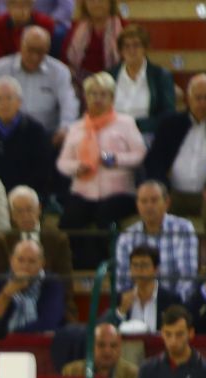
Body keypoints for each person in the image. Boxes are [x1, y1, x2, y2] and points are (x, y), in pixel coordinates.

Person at [56, 71, 146, 269]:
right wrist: (75, 167)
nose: (97, 99)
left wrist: (115, 160)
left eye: (103, 94)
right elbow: (63, 162)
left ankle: (107, 265)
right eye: (93, 94)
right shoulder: (77, 128)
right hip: (84, 191)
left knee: (104, 216)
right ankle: (79, 265)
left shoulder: (126, 123)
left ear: (112, 98)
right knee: (68, 220)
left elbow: (140, 154)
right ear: (86, 98)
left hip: (119, 193)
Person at [144, 75, 206, 251]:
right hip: (172, 191)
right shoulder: (170, 123)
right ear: (188, 98)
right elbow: (154, 158)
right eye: (198, 97)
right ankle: (157, 253)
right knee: (153, 199)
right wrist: (161, 186)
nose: (202, 103)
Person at [0, 26, 79, 145]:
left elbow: (69, 103)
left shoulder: (59, 71)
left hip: (45, 136)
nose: (34, 57)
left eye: (40, 52)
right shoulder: (1, 67)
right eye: (30, 50)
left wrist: (65, 127)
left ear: (48, 50)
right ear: (21, 45)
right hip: (7, 132)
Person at [113, 180, 197, 299]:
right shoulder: (126, 237)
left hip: (173, 305)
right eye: (144, 201)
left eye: (154, 200)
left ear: (167, 202)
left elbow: (187, 279)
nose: (149, 206)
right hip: (137, 303)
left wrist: (169, 304)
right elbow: (122, 282)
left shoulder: (183, 229)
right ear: (137, 205)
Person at [0, 76, 52, 199]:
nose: (4, 104)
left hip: (24, 196)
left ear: (19, 102)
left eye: (9, 98)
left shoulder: (35, 131)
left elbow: (42, 171)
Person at [0, 185, 73, 301]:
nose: (25, 216)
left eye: (29, 209)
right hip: (14, 302)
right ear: (12, 215)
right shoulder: (4, 241)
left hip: (51, 300)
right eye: (19, 211)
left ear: (39, 209)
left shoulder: (58, 239)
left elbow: (66, 282)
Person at [0, 238, 66, 332]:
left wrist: (15, 337)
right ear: (11, 260)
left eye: (32, 261)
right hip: (3, 342)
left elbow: (49, 321)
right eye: (20, 260)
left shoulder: (52, 282)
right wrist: (6, 294)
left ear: (42, 263)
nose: (25, 266)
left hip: (38, 339)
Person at [107, 25, 175, 139]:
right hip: (113, 133)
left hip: (147, 134)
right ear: (121, 50)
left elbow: (168, 115)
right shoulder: (110, 75)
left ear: (145, 48)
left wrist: (135, 126)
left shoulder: (160, 76)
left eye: (136, 45)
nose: (131, 50)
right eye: (126, 46)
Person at [136, 305, 206, 378]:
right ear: (162, 334)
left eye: (179, 334)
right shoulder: (147, 370)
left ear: (191, 333)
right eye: (168, 334)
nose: (173, 341)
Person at [104, 245, 178, 333]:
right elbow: (105, 330)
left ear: (156, 270)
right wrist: (121, 312)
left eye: (144, 265)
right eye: (135, 265)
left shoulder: (171, 300)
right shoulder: (120, 298)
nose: (139, 270)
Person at [61, 0, 124, 86]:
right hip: (80, 84)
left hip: (114, 82)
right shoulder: (76, 29)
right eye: (91, 1)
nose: (97, 4)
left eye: (101, 1)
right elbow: (65, 61)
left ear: (110, 3)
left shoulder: (123, 28)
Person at [61, 321, 137, 378]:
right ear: (91, 346)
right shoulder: (71, 372)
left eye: (113, 346)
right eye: (101, 345)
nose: (107, 351)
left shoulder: (133, 375)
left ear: (120, 348)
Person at [0, 0, 54, 64]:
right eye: (15, 4)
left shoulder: (45, 24)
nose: (20, 10)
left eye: (25, 5)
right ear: (8, 6)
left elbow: (44, 55)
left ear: (32, 6)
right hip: (6, 70)